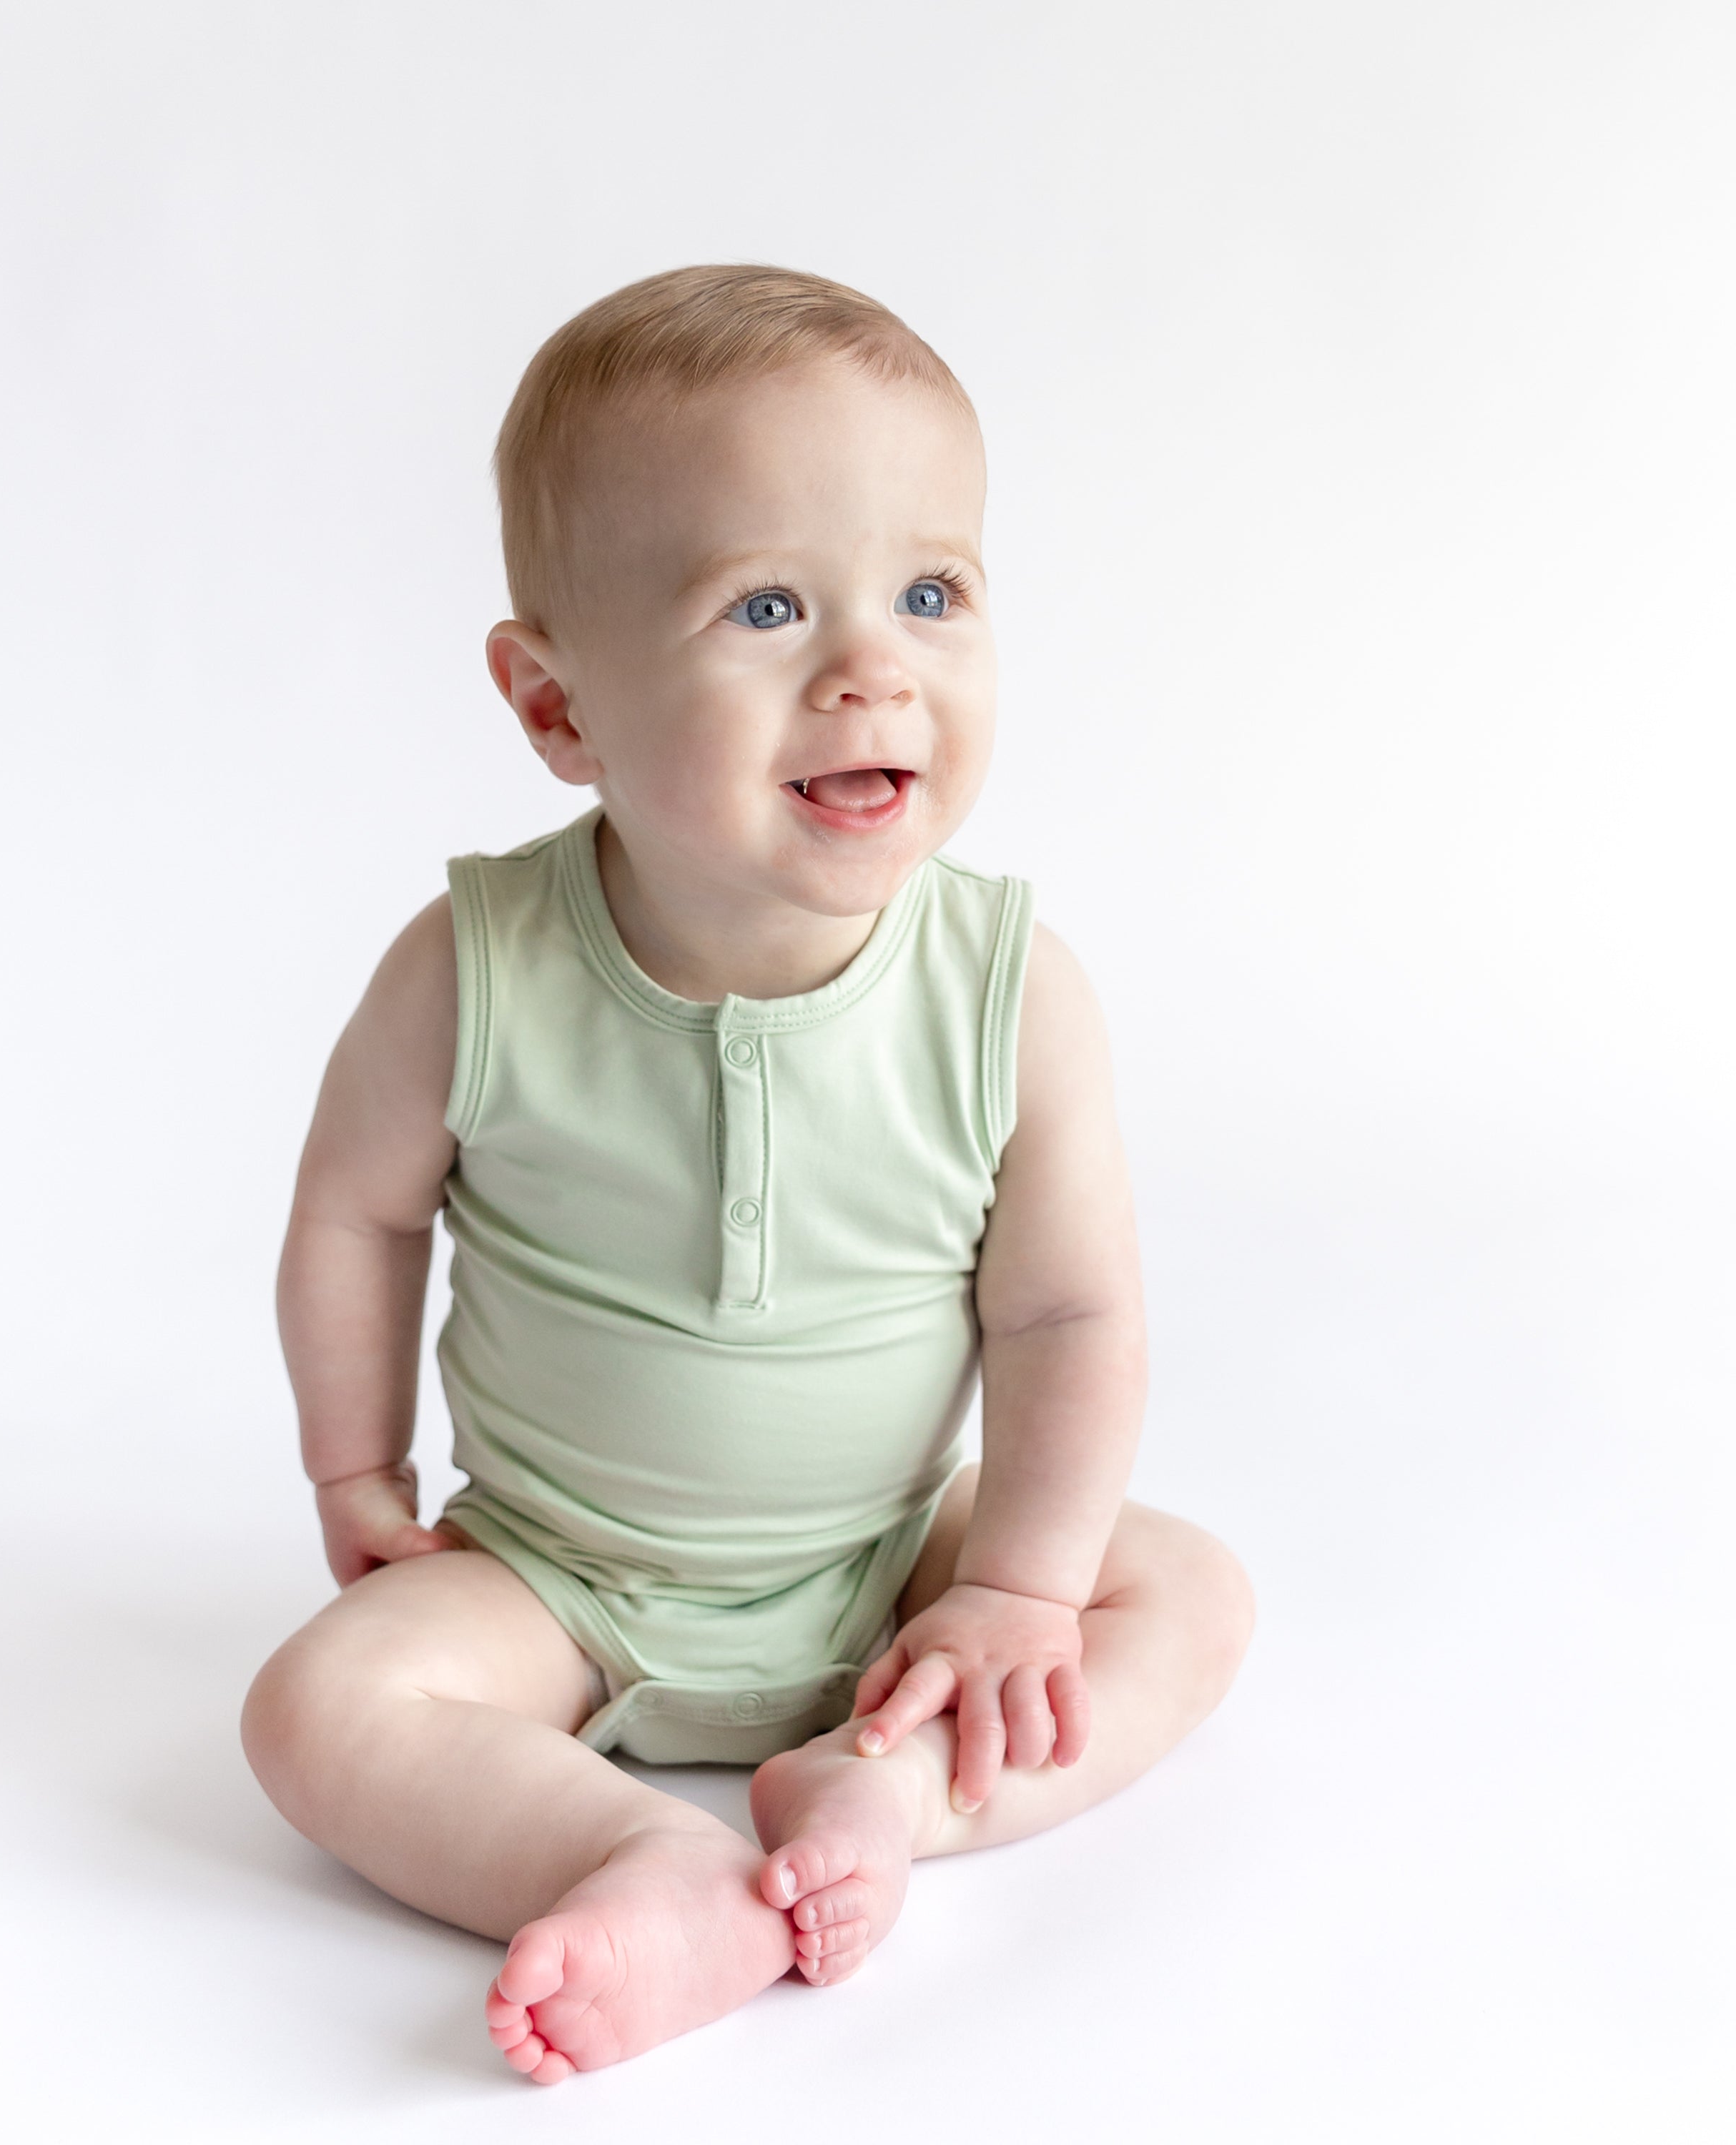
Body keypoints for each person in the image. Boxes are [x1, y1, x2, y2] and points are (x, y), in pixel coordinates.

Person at [241, 265, 1254, 2086]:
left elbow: (1071, 1309)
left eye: (931, 591)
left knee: (1184, 1594)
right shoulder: (474, 966)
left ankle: (888, 1795)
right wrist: (357, 1465)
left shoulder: (1009, 990)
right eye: (767, 607)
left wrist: (1013, 1585)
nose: (874, 666)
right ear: (558, 709)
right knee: (318, 1709)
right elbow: (355, 1212)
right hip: (553, 1570)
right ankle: (635, 1857)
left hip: (889, 1563)